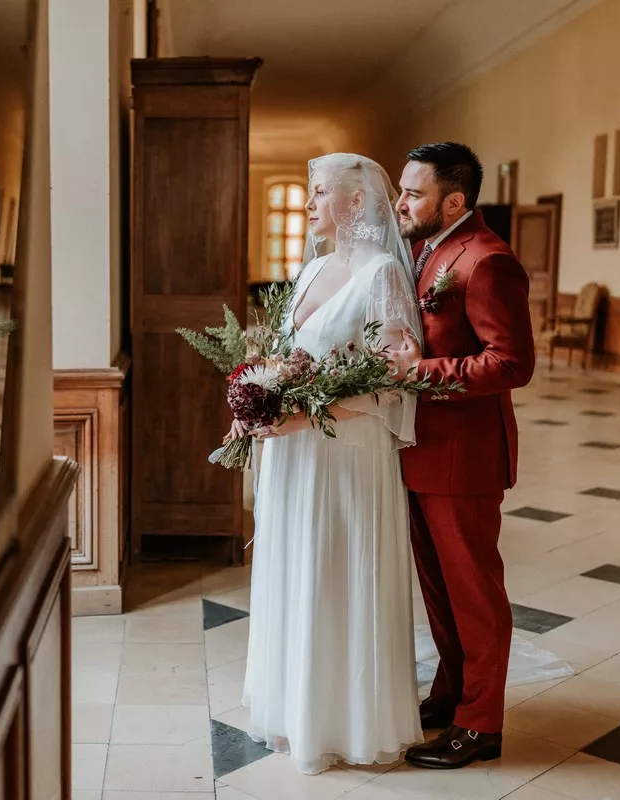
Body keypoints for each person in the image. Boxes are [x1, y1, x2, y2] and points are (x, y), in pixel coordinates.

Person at [229, 153, 424, 774]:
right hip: (295, 460)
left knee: (339, 573)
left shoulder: (384, 275)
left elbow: (394, 386)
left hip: (347, 460)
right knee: (298, 569)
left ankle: (351, 722)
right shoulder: (311, 267)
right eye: (310, 194)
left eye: (319, 193)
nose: (310, 204)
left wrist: (306, 415)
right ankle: (297, 711)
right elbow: (293, 361)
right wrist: (256, 399)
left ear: (357, 204)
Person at [389, 141, 536, 769]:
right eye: (402, 188)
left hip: (463, 457)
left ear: (455, 199)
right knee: (439, 590)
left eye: (413, 192)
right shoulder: (428, 248)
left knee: (474, 593)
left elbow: (512, 363)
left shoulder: (488, 260)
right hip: (423, 451)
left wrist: (419, 371)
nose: (401, 202)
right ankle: (452, 695)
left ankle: (482, 725)